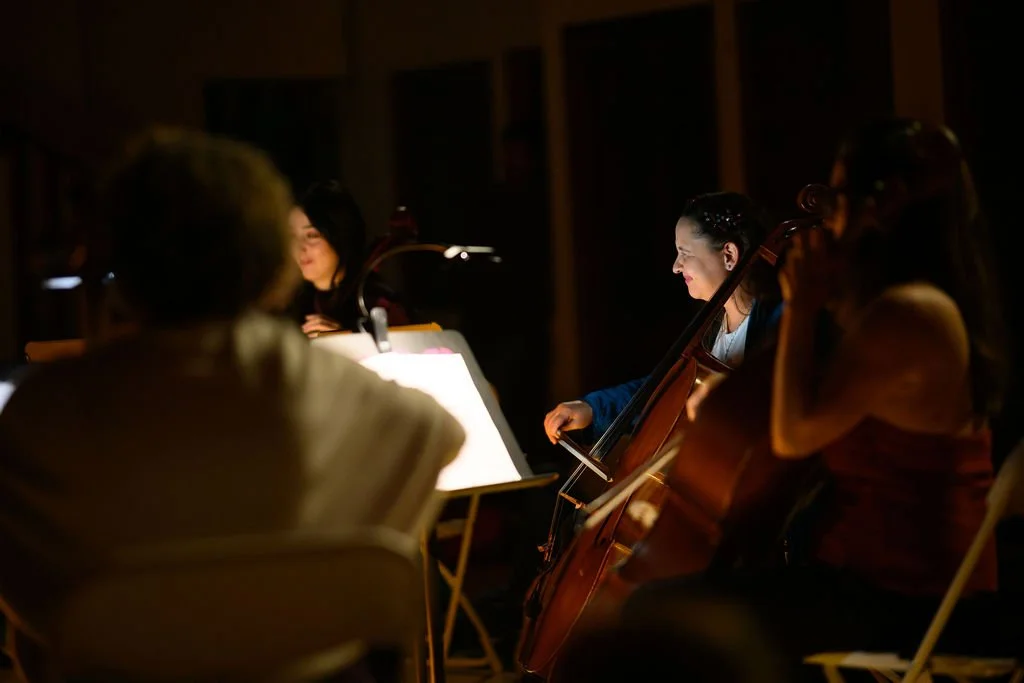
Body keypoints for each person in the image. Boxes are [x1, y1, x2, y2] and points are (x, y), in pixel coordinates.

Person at [0, 129, 465, 683]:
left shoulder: (42, 415)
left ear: (115, 261)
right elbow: (437, 434)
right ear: (271, 263)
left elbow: (35, 606)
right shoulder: (346, 394)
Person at [627, 119, 1011, 670]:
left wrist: (802, 309)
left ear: (885, 202)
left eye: (842, 195)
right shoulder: (901, 307)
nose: (831, 214)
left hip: (911, 596)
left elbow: (794, 432)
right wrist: (736, 402)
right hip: (875, 580)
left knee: (658, 614)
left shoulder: (910, 314)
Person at [542, 191, 781, 445]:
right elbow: (666, 391)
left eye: (684, 252)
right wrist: (591, 408)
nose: (676, 266)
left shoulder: (780, 323)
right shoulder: (710, 327)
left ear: (729, 255)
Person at [288, 180, 410, 337]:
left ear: (340, 236)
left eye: (312, 235)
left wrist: (347, 341)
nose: (299, 247)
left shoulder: (378, 303)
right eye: (292, 236)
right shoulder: (294, 303)